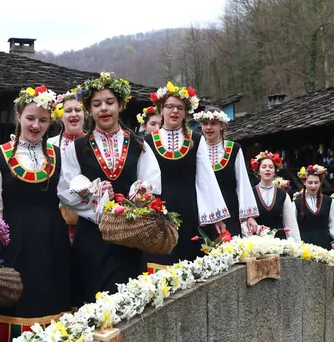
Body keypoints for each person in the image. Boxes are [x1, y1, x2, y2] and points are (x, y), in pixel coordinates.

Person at [58, 72, 162, 303]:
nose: (103, 109)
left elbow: (151, 180)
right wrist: (95, 201)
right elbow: (65, 189)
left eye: (109, 102)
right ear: (89, 109)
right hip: (92, 238)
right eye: (96, 104)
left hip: (130, 236)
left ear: (121, 105)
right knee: (93, 299)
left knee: (128, 298)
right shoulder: (76, 148)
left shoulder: (138, 143)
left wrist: (140, 194)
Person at [0, 85, 71, 342]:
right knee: (17, 299)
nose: (36, 125)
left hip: (53, 241)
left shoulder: (56, 155)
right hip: (16, 242)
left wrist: (99, 198)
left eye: (43, 120)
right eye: (30, 118)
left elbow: (70, 195)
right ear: (18, 115)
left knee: (53, 299)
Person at [143, 82, 228, 264]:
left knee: (188, 256)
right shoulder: (147, 141)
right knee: (160, 259)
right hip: (159, 208)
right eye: (170, 106)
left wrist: (215, 216)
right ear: (161, 109)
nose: (175, 111)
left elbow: (206, 178)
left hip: (189, 207)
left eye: (180, 108)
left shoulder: (196, 140)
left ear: (186, 112)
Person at [194, 107, 259, 238]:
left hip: (230, 209)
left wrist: (249, 216)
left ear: (222, 125)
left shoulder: (233, 149)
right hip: (205, 209)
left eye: (213, 123)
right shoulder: (195, 149)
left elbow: (243, 182)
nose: (208, 128)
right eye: (205, 124)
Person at [48, 90, 86, 244]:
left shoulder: (93, 142)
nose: (73, 115)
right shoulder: (49, 144)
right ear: (59, 115)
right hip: (56, 214)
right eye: (68, 111)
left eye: (78, 110)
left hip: (86, 215)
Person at [249, 151, 300, 241]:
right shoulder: (250, 193)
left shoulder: (283, 195)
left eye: (271, 167)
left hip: (279, 241)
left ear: (275, 171)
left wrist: (296, 245)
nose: (267, 169)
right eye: (264, 167)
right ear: (258, 172)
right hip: (257, 242)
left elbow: (290, 222)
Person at [293, 165, 334, 250]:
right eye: (310, 182)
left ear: (320, 183)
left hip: (324, 245)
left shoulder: (329, 201)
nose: (313, 186)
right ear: (304, 182)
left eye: (316, 183)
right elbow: (293, 227)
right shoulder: (296, 203)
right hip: (304, 247)